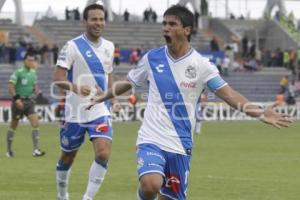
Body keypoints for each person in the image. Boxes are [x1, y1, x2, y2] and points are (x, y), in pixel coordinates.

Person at [89, 5, 293, 200]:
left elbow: (229, 94)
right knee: (151, 184)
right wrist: (103, 96)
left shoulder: (202, 65)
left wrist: (260, 112)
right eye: (164, 23)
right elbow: (128, 83)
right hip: (151, 138)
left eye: (172, 24)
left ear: (187, 30)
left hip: (180, 144)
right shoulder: (152, 58)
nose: (166, 28)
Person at [53, 3, 119, 200]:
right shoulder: (72, 46)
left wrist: (112, 97)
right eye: (94, 19)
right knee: (68, 156)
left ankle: (87, 198)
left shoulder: (109, 46)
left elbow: (109, 75)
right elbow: (58, 78)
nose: (98, 23)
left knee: (103, 153)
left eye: (101, 19)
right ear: (85, 21)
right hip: (75, 112)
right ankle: (62, 195)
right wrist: (76, 88)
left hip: (99, 110)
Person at [6, 51, 45, 158]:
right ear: (24, 61)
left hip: (29, 102)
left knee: (35, 123)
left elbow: (33, 86)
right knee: (13, 125)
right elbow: (11, 86)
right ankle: (9, 150)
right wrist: (17, 99)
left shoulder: (33, 73)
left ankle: (36, 150)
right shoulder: (18, 72)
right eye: (29, 60)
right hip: (18, 101)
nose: (31, 62)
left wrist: (36, 90)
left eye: (33, 60)